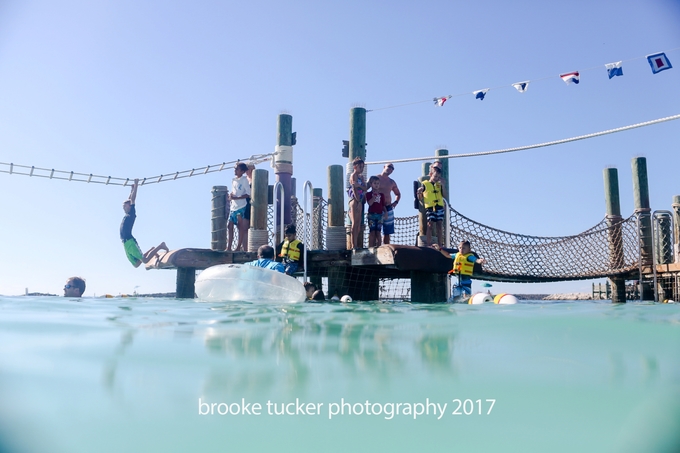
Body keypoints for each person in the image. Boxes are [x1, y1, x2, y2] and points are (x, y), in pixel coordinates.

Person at [120, 179, 168, 267]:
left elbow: (132, 200)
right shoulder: (127, 214)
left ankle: (161, 245)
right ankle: (152, 250)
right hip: (125, 243)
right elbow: (129, 199)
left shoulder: (131, 213)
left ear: (129, 206)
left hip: (130, 242)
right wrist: (132, 190)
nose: (123, 208)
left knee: (145, 261)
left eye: (125, 206)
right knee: (136, 264)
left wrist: (136, 185)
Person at [417, 166, 445, 247]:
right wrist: (419, 193)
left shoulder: (439, 185)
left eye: (438, 177)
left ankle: (440, 244)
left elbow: (444, 195)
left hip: (439, 206)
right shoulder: (425, 184)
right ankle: (429, 244)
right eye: (435, 176)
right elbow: (420, 198)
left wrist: (443, 186)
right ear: (431, 174)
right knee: (430, 225)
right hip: (430, 207)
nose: (436, 178)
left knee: (439, 225)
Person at [227, 163, 251, 251]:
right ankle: (229, 246)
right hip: (234, 206)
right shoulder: (233, 180)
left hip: (241, 205)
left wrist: (237, 198)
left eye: (237, 169)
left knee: (240, 226)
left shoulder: (244, 180)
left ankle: (238, 247)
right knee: (230, 225)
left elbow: (248, 194)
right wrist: (231, 196)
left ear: (242, 171)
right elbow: (234, 191)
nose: (235, 170)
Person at [377, 162, 401, 244]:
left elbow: (398, 194)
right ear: (384, 166)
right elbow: (366, 188)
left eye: (392, 168)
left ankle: (386, 247)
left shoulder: (392, 182)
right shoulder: (376, 179)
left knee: (387, 232)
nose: (390, 169)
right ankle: (376, 248)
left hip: (388, 207)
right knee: (376, 230)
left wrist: (395, 202)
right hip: (377, 207)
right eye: (389, 167)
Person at [348, 157, 367, 249]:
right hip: (355, 200)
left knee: (358, 224)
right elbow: (354, 189)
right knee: (354, 224)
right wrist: (358, 201)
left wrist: (359, 185)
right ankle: (353, 244)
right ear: (355, 167)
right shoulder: (353, 175)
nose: (362, 169)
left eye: (363, 167)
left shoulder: (361, 177)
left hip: (360, 200)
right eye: (360, 167)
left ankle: (356, 244)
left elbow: (365, 188)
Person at [365, 176, 386, 248]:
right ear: (371, 184)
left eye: (378, 183)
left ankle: (379, 247)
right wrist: (374, 196)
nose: (376, 185)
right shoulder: (368, 194)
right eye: (375, 183)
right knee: (372, 232)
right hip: (372, 214)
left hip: (380, 215)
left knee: (378, 232)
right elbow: (370, 203)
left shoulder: (382, 195)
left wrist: (385, 213)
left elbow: (383, 205)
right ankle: (370, 247)